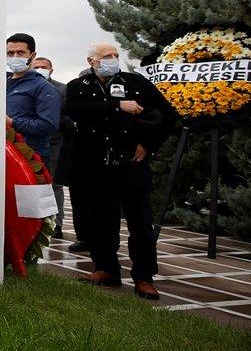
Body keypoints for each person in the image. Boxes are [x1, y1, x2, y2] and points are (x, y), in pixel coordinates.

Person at [65, 42, 176, 301]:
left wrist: (147, 145)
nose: (113, 59)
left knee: (140, 222)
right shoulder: (78, 86)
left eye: (115, 55)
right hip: (95, 165)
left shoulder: (135, 82)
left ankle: (144, 276)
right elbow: (75, 111)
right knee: (100, 219)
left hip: (131, 163)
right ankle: (105, 268)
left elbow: (168, 115)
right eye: (106, 56)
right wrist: (117, 106)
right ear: (92, 61)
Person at [31, 56, 78, 241]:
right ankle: (34, 222)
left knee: (55, 184)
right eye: (37, 67)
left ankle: (57, 224)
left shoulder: (62, 88)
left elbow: (68, 114)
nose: (40, 69)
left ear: (51, 70)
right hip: (29, 140)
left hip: (55, 142)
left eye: (44, 67)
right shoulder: (25, 85)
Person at [5, 33, 61, 165]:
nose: (15, 57)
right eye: (10, 53)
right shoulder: (1, 84)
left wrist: (12, 122)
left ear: (32, 56)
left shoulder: (43, 87)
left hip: (32, 158)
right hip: (5, 154)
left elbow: (49, 126)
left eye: (20, 52)